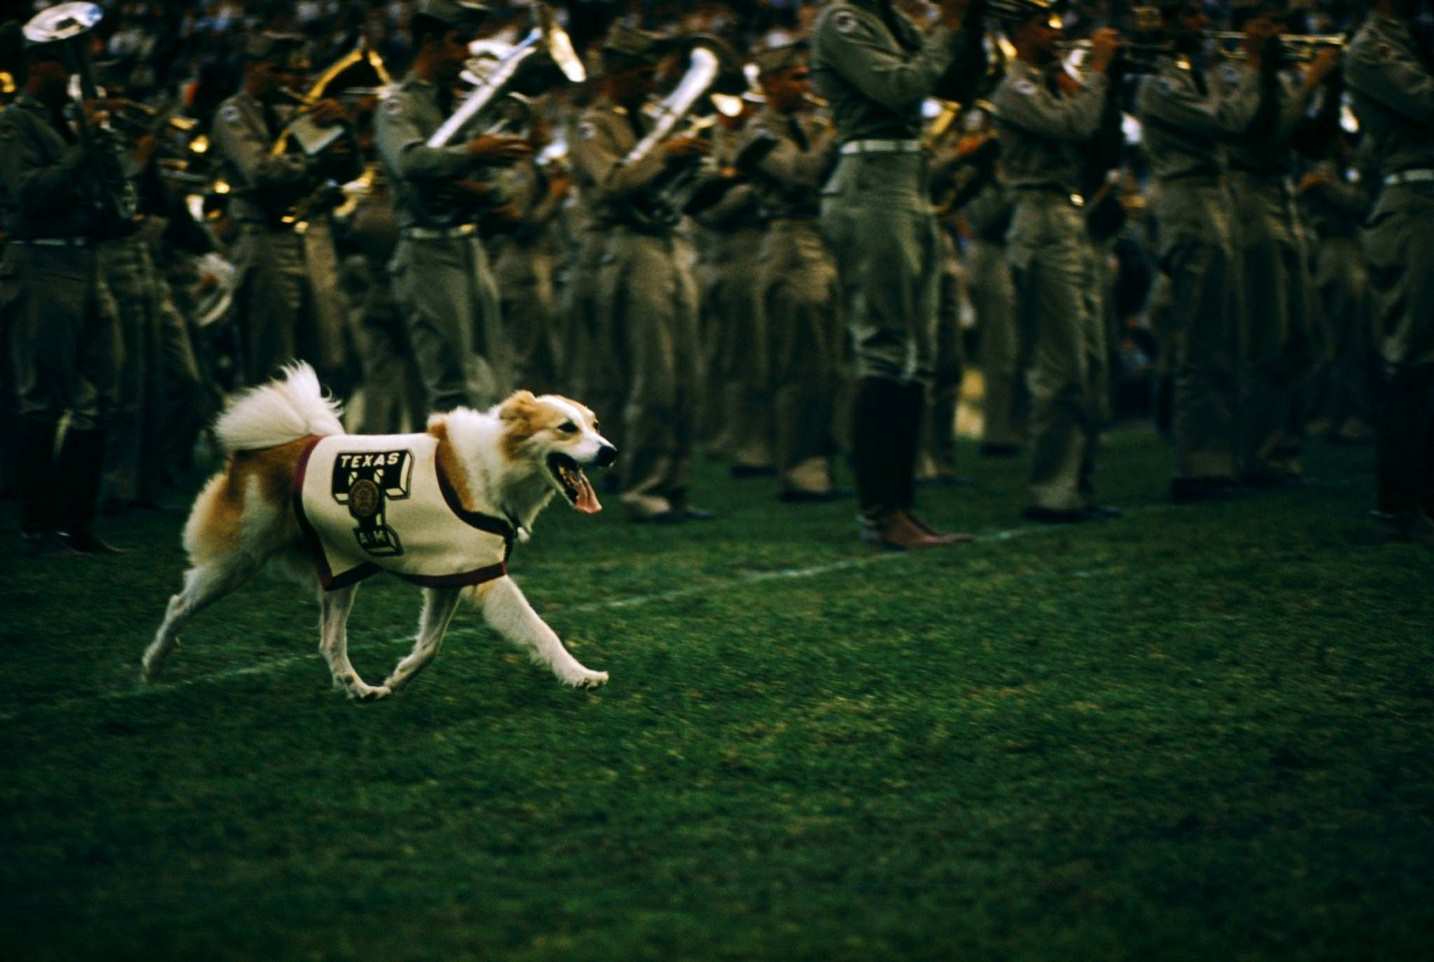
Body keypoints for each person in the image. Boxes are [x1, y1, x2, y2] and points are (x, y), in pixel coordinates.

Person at [811, 0, 986, 549]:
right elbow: (899, 88)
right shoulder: (845, 20)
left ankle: (902, 507)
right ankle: (880, 512)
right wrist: (950, 27)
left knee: (914, 355)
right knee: (886, 349)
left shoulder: (892, 19)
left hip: (906, 176)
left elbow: (958, 81)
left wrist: (972, 25)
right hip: (872, 179)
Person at [570, 25, 712, 523]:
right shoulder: (593, 124)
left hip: (671, 243)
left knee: (686, 375)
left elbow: (674, 184)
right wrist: (663, 156)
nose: (652, 84)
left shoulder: (651, 118)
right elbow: (611, 181)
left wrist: (693, 162)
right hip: (628, 249)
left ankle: (675, 483)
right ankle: (645, 488)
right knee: (653, 375)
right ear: (617, 74)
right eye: (642, 74)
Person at [990, 0, 1122, 523]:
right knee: (1060, 364)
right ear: (1020, 33)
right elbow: (1075, 127)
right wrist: (1098, 73)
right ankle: (1051, 488)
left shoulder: (1050, 84)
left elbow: (1101, 142)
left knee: (1089, 363)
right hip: (1041, 218)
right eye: (1044, 26)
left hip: (1068, 216)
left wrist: (1088, 82)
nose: (1056, 33)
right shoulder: (1015, 87)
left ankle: (1078, 483)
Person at [1136, 0, 1273, 502]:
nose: (1202, 24)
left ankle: (1222, 457)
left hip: (1215, 198)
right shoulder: (1161, 81)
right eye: (1189, 15)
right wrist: (1256, 66)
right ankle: (1198, 464)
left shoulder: (1197, 72)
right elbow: (1231, 121)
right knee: (1202, 337)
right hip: (1188, 200)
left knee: (1225, 333)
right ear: (1167, 22)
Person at [0, 26, 128, 555]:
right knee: (43, 399)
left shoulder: (71, 123)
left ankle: (77, 522)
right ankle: (37, 522)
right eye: (62, 61)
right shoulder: (14, 123)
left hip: (88, 258)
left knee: (101, 392)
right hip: (41, 259)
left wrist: (106, 151)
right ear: (38, 66)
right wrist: (84, 151)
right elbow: (26, 191)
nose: (73, 71)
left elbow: (107, 188)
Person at [373, 0, 530, 414]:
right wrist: (473, 151)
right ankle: (448, 477)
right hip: (428, 253)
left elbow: (489, 185)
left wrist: (488, 192)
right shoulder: (398, 105)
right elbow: (409, 161)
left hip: (469, 246)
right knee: (452, 386)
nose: (467, 55)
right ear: (430, 42)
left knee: (495, 376)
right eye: (459, 42)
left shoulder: (458, 102)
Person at [1221, 0, 1341, 487]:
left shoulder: (1284, 77)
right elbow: (1263, 135)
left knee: (1303, 334)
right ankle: (1258, 451)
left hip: (1285, 199)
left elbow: (1312, 143)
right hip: (1250, 199)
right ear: (1246, 31)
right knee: (1265, 334)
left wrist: (1329, 88)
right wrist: (1310, 82)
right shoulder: (1233, 80)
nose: (1277, 31)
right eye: (1265, 23)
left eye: (1278, 22)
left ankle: (1285, 443)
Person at [210, 31, 357, 388]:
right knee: (272, 359)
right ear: (252, 69)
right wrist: (316, 159)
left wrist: (345, 128)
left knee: (326, 355)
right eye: (279, 71)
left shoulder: (300, 112)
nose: (291, 81)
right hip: (266, 239)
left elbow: (350, 169)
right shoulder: (234, 113)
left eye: (298, 73)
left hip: (313, 236)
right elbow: (261, 171)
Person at [1346, 0, 1434, 544]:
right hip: (1415, 205)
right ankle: (1400, 502)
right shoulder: (1373, 47)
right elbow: (1426, 102)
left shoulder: (1413, 36)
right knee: (1415, 356)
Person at [746, 41, 845, 502]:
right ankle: (799, 467)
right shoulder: (757, 133)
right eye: (795, 78)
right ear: (768, 85)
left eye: (807, 77)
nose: (806, 87)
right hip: (788, 243)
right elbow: (801, 175)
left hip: (820, 239)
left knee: (825, 361)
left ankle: (818, 459)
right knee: (800, 364)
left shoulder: (803, 126)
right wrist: (837, 131)